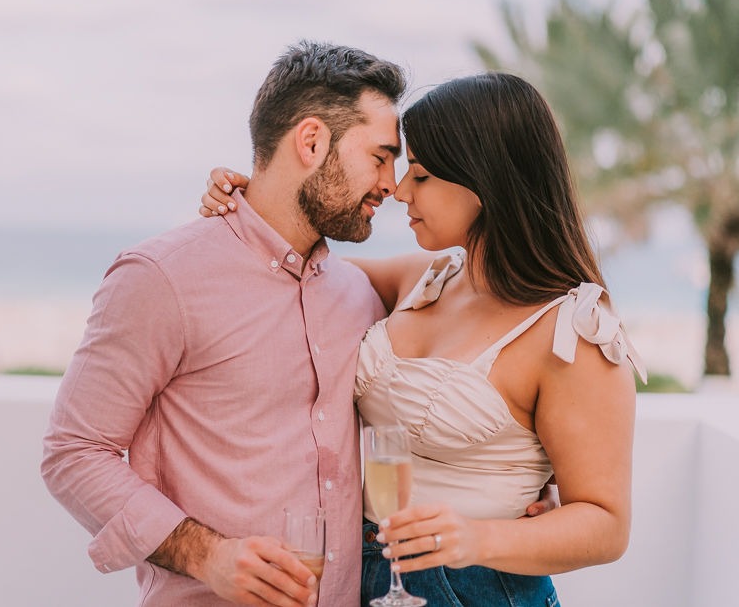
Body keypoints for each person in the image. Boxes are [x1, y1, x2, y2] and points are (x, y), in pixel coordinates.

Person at [199, 72, 645, 607]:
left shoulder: (573, 332)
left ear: (485, 185)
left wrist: (477, 536)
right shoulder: (423, 279)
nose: (399, 190)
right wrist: (248, 201)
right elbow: (289, 272)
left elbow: (606, 524)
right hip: (357, 579)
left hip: (476, 588)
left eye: (423, 174)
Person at [41, 40, 409, 606]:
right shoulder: (161, 277)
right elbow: (73, 452)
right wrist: (206, 555)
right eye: (380, 157)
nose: (391, 184)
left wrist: (522, 488)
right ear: (311, 141)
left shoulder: (357, 294)